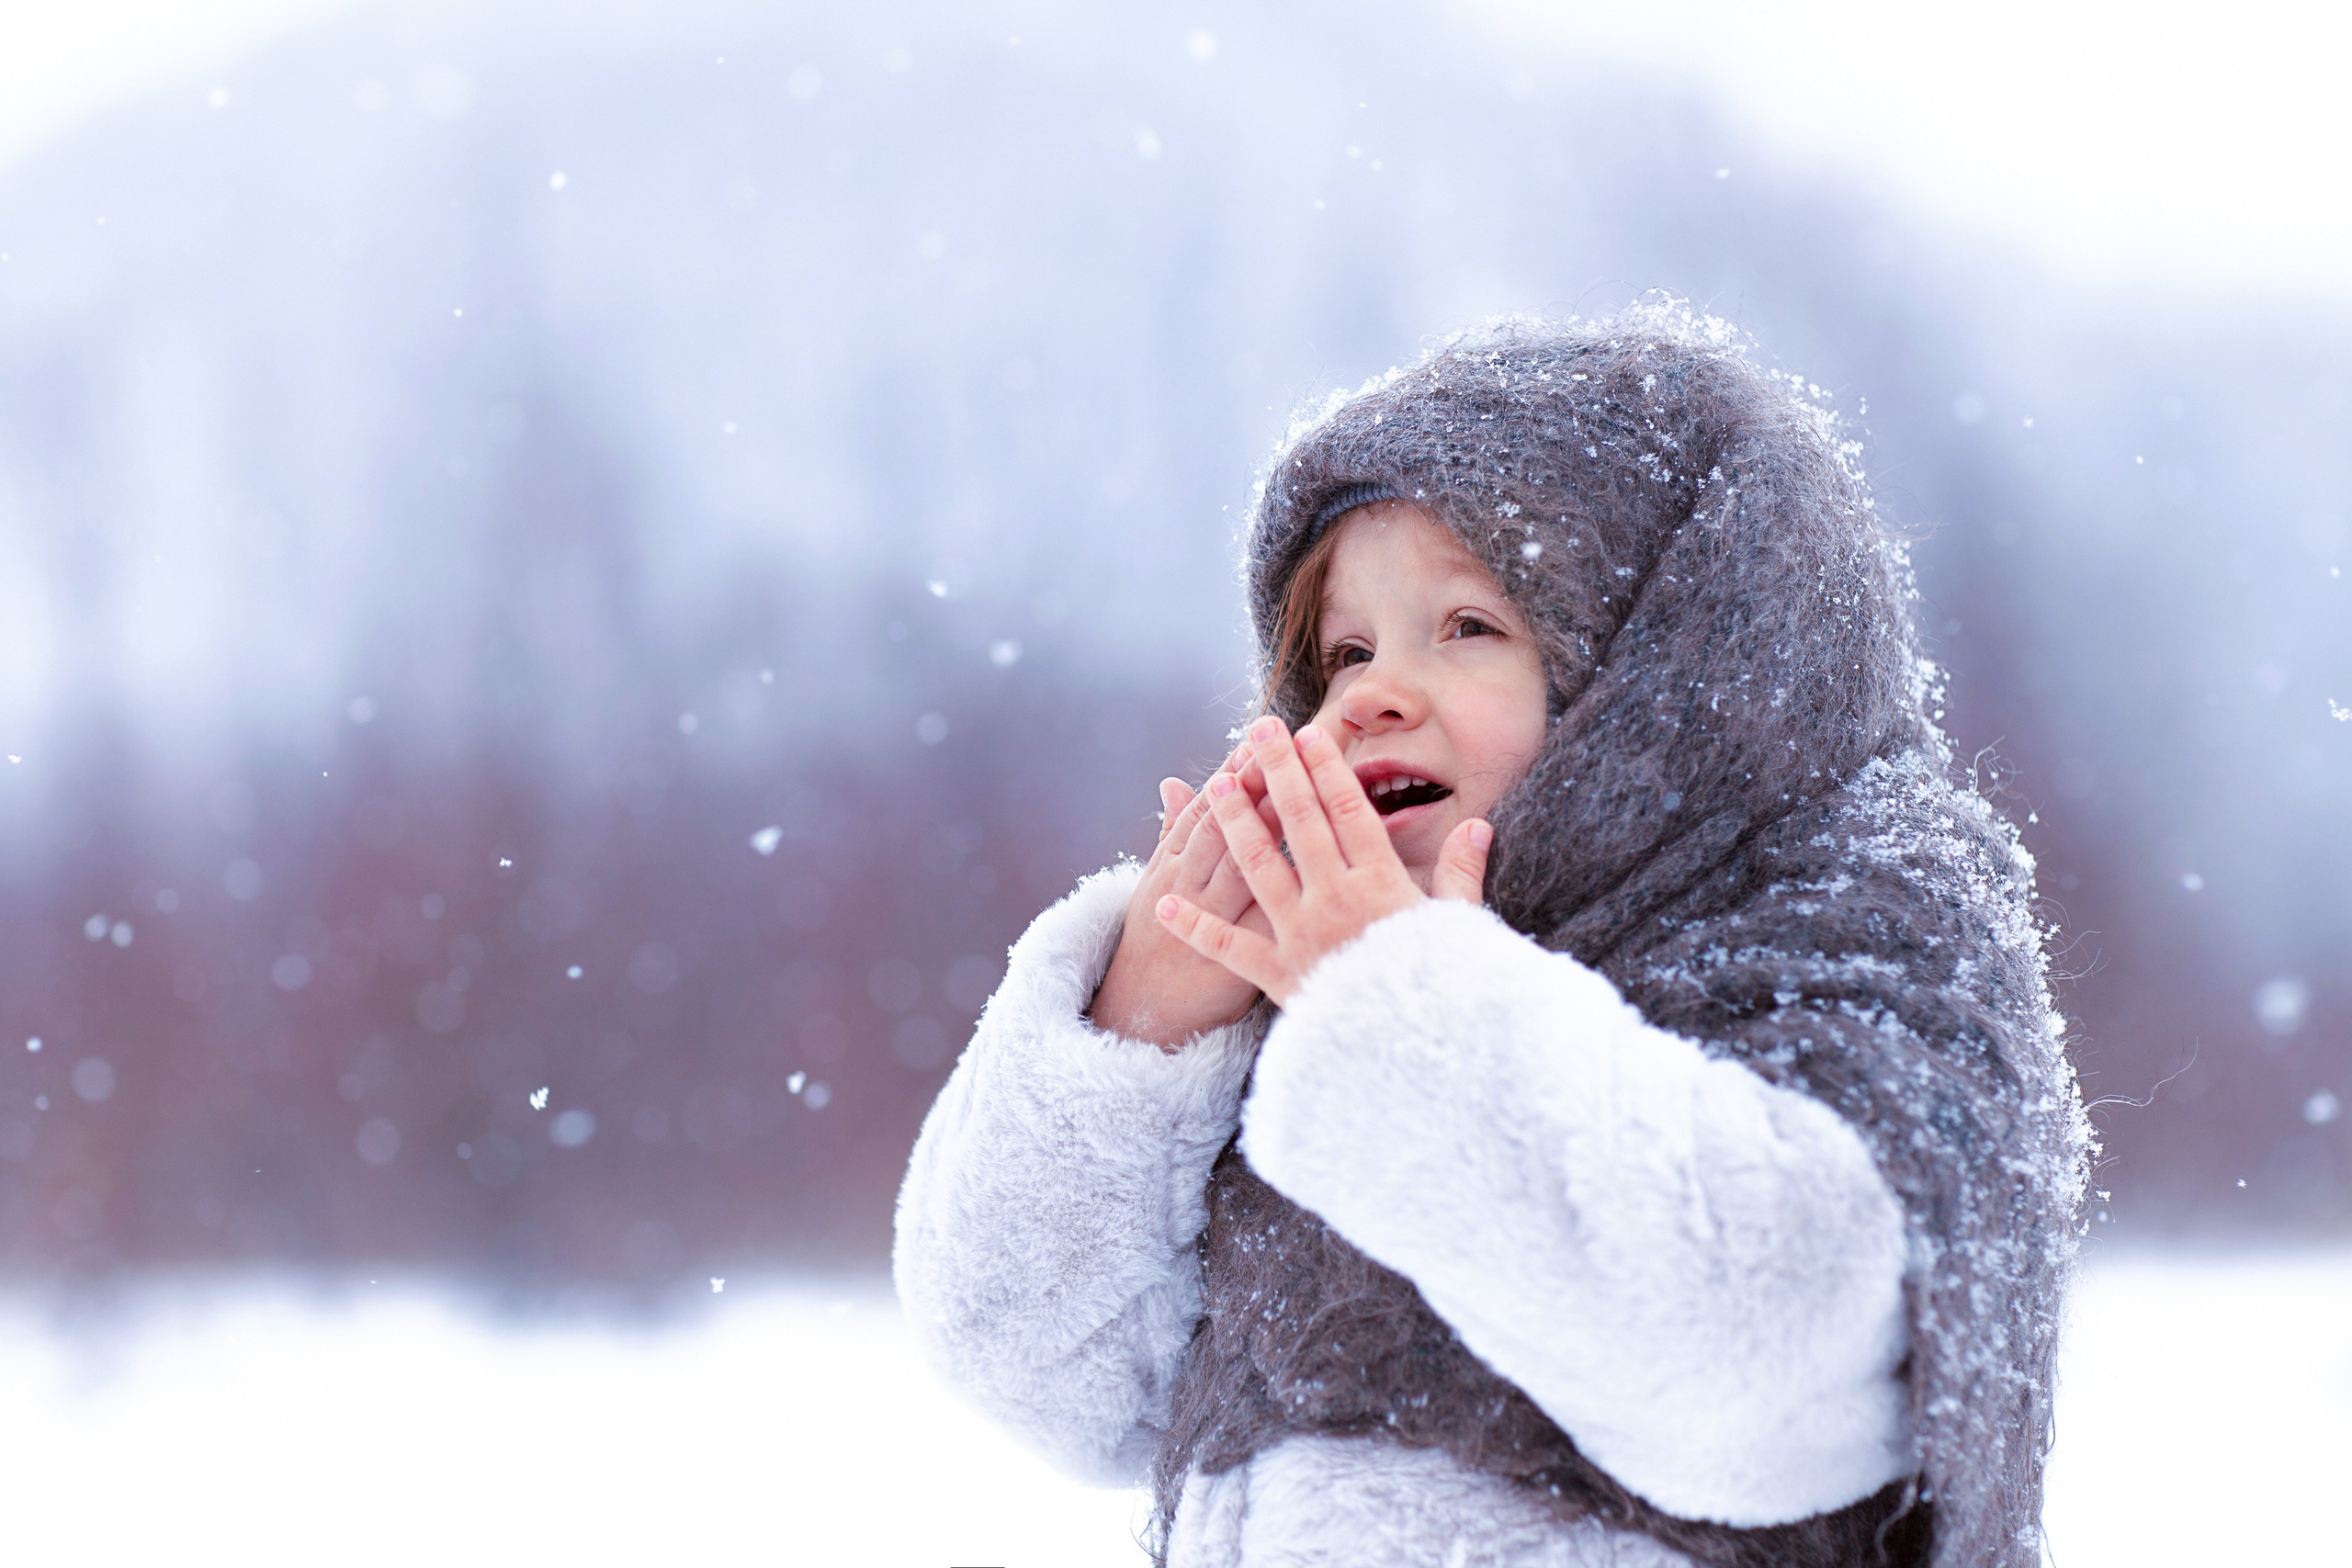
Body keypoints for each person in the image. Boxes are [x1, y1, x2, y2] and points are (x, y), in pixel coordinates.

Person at [893, 308, 2090, 1568]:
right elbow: (1044, 1377)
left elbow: (1766, 1361)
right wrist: (1137, 1029)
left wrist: (1408, 1016)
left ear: (1672, 672)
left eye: (1468, 627)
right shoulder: (1312, 1007)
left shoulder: (1858, 910)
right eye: (1345, 649)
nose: (1371, 693)